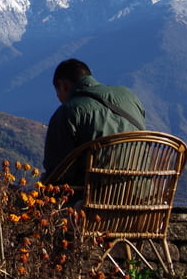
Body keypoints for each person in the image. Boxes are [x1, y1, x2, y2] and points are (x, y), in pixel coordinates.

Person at [42, 58, 147, 198]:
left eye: (58, 93)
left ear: (63, 85)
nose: (59, 98)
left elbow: (56, 174)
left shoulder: (69, 112)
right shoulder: (130, 97)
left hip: (95, 205)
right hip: (144, 200)